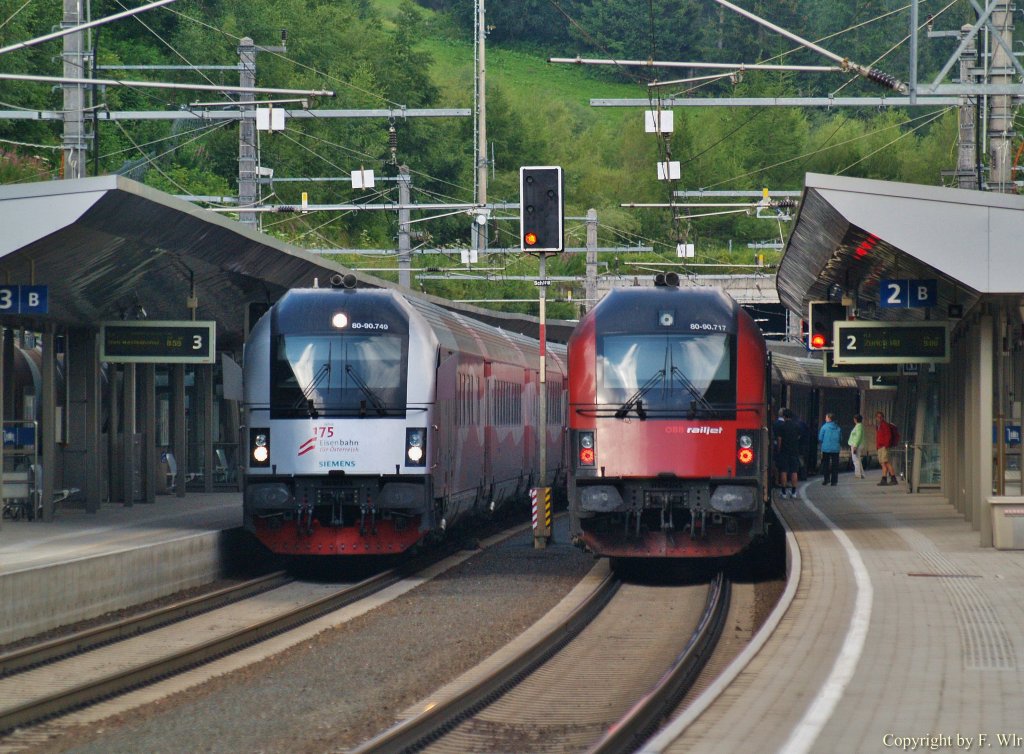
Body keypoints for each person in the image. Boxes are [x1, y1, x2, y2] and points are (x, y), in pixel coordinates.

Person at [775, 408, 802, 498]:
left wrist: (779, 449)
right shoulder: (797, 426)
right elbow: (798, 437)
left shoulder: (781, 427)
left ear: (784, 416)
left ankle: (783, 493)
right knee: (794, 471)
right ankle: (794, 493)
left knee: (784, 471)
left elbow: (779, 439)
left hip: (784, 451)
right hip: (794, 451)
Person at [818, 413, 842, 486]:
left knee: (826, 464)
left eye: (826, 418)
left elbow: (820, 438)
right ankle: (834, 481)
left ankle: (826, 479)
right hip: (835, 449)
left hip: (826, 449)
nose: (825, 419)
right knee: (835, 465)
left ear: (829, 419)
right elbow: (841, 439)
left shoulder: (824, 427)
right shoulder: (838, 428)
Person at [875, 411, 898, 485]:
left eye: (880, 417)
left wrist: (886, 445)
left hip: (884, 447)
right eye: (878, 417)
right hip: (880, 447)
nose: (879, 418)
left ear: (883, 417)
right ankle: (885, 479)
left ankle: (892, 478)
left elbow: (888, 436)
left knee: (886, 462)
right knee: (883, 463)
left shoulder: (884, 425)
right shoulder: (878, 426)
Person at [848, 414, 865, 479]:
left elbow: (858, 437)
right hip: (857, 444)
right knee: (858, 460)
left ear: (855, 419)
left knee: (855, 460)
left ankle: (858, 474)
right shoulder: (859, 426)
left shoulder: (858, 426)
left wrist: (855, 446)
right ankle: (862, 474)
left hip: (856, 445)